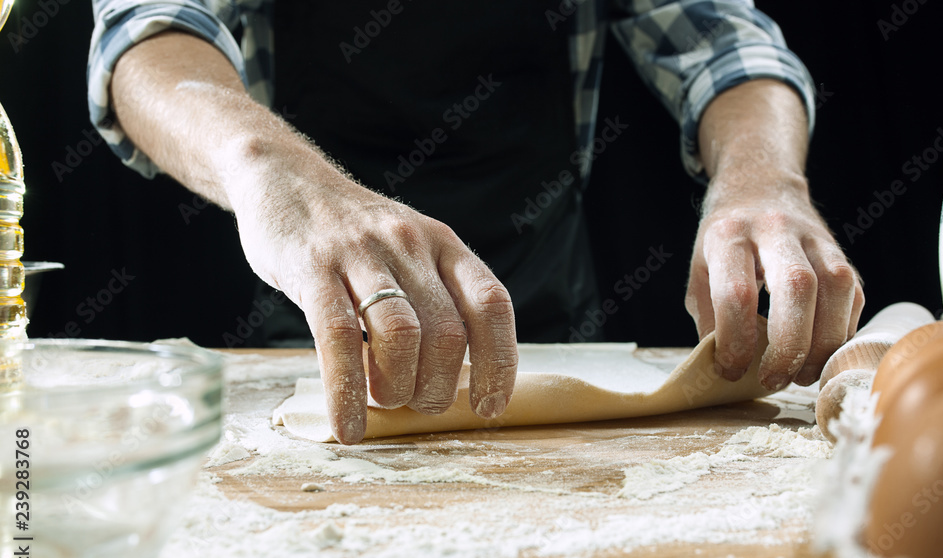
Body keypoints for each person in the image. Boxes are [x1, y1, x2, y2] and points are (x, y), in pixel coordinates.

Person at [88, 1, 864, 444]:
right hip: (322, 327)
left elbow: (725, 43)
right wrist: (266, 168)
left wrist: (762, 173)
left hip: (557, 326)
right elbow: (145, 35)